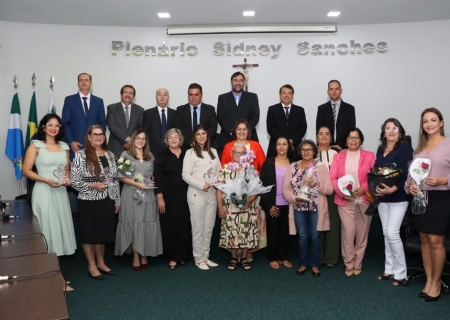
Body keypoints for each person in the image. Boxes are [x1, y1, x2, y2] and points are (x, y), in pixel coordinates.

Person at [22, 114, 76, 291]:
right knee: (47, 232)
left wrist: (67, 179)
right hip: (44, 192)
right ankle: (50, 277)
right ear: (43, 127)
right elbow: (26, 171)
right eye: (50, 125)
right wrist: (45, 180)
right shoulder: (35, 145)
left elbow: (67, 169)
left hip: (60, 193)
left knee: (58, 233)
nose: (54, 128)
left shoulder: (64, 146)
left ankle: (55, 275)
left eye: (57, 125)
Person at [406, 108, 450, 301]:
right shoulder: (419, 150)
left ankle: (437, 282)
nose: (429, 124)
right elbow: (410, 179)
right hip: (420, 199)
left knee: (435, 241)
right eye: (425, 121)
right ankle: (429, 280)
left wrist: (443, 180)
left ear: (441, 123)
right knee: (424, 239)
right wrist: (411, 188)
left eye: (433, 120)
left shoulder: (448, 144)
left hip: (441, 199)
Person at [71, 125, 120, 280]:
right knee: (89, 234)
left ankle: (101, 263)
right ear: (89, 137)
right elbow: (74, 181)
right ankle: (91, 265)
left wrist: (117, 200)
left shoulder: (110, 154)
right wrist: (92, 185)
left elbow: (114, 180)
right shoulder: (81, 155)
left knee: (102, 233)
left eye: (101, 135)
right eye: (95, 135)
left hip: (107, 199)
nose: (98, 137)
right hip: (88, 200)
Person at [282, 140, 333, 277]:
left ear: (314, 151)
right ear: (300, 151)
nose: (306, 152)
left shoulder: (321, 167)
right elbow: (285, 188)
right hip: (298, 207)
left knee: (315, 236)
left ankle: (315, 265)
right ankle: (303, 264)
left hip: (316, 206)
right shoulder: (293, 166)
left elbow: (329, 189)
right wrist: (294, 198)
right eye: (303, 149)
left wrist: (317, 184)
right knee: (303, 236)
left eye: (309, 149)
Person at [114, 129, 163, 270]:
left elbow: (153, 176)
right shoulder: (126, 155)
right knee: (134, 225)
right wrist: (137, 184)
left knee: (146, 224)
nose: (141, 141)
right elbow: (121, 177)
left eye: (143, 139)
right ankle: (136, 255)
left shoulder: (150, 156)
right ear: (133, 140)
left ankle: (144, 254)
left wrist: (147, 185)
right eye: (138, 138)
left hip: (148, 195)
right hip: (131, 194)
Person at [330, 127, 375, 277]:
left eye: (356, 137)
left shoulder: (370, 156)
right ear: (346, 141)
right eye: (350, 138)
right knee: (348, 233)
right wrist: (342, 193)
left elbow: (374, 177)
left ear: (360, 140)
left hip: (364, 200)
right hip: (345, 201)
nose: (353, 140)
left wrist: (363, 188)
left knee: (362, 233)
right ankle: (348, 262)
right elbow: (333, 178)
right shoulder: (339, 157)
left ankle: (358, 262)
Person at [374, 118, 413, 286]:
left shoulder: (404, 147)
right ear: (384, 132)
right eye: (388, 128)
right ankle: (389, 269)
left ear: (400, 131)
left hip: (399, 197)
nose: (391, 131)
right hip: (383, 198)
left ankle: (401, 273)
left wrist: (394, 188)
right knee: (385, 234)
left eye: (394, 128)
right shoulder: (380, 149)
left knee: (392, 234)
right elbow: (378, 172)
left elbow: (406, 171)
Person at [182, 124, 221, 270]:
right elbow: (185, 175)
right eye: (198, 134)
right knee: (198, 228)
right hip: (196, 195)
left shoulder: (213, 152)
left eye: (203, 133)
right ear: (194, 137)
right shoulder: (190, 153)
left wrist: (220, 180)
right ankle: (198, 259)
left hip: (211, 196)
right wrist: (200, 184)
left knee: (209, 228)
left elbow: (219, 171)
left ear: (207, 135)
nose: (201, 136)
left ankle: (205, 256)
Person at [154, 128, 192, 270]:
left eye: (176, 137)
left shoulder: (188, 154)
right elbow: (157, 178)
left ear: (180, 139)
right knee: (170, 227)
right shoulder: (162, 156)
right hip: (168, 197)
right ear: (167, 140)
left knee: (184, 226)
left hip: (186, 196)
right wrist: (160, 198)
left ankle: (183, 255)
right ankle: (173, 257)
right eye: (171, 137)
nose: (174, 139)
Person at [217, 144, 259, 271]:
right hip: (229, 207)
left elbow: (257, 188)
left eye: (241, 153)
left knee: (245, 230)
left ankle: (244, 257)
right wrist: (220, 207)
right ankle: (234, 257)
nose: (238, 155)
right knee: (232, 230)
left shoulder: (251, 169)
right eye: (236, 152)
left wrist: (250, 199)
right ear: (231, 153)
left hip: (247, 206)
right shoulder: (224, 169)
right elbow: (218, 190)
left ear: (246, 154)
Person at [260, 137, 294, 269]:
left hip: (289, 203)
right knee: (273, 232)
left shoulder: (293, 163)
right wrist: (268, 206)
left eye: (284, 144)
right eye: (278, 144)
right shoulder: (268, 163)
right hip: (273, 204)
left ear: (288, 146)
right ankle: (273, 257)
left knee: (285, 232)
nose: (281, 147)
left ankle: (284, 257)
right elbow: (262, 186)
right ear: (275, 147)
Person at [62, 73, 106, 160]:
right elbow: (65, 123)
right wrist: (71, 141)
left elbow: (102, 123)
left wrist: (98, 141)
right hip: (76, 146)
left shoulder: (99, 101)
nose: (84, 82)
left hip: (94, 146)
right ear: (78, 84)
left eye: (86, 80)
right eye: (81, 80)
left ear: (91, 83)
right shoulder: (69, 100)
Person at [217, 71, 260, 156]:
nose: (238, 83)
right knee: (227, 167)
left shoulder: (252, 97)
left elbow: (255, 116)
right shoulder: (222, 98)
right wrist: (233, 131)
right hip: (227, 138)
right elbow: (220, 117)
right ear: (231, 82)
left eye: (241, 80)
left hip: (249, 138)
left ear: (244, 82)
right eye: (235, 80)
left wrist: (244, 131)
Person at [317, 126, 341, 268]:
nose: (324, 136)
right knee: (317, 225)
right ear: (317, 137)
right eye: (321, 134)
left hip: (333, 193)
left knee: (333, 225)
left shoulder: (337, 154)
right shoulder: (311, 153)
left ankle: (331, 258)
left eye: (327, 134)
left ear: (331, 138)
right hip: (316, 194)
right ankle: (317, 257)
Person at [266, 84, 307, 157]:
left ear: (292, 95)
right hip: (276, 147)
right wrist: (284, 141)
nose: (286, 95)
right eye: (284, 93)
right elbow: (270, 128)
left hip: (295, 147)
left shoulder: (300, 110)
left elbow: (303, 128)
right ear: (280, 95)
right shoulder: (272, 109)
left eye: (289, 93)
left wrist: (292, 141)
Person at [174, 83, 218, 149]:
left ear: (201, 95)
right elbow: (179, 129)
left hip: (206, 146)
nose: (193, 97)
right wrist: (191, 142)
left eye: (196, 95)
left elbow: (213, 128)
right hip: (186, 147)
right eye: (191, 95)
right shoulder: (180, 110)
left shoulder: (210, 109)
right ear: (188, 95)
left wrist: (201, 142)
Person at [106, 85, 144, 159]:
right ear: (121, 94)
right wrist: (127, 139)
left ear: (134, 96)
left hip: (133, 148)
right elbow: (112, 125)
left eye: (131, 93)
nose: (128, 95)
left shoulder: (140, 110)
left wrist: (132, 142)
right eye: (126, 92)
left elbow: (140, 129)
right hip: (115, 148)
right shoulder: (112, 108)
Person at [316, 80, 356, 150]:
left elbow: (351, 130)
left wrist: (342, 145)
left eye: (336, 89)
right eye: (331, 89)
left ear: (341, 91)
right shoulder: (321, 109)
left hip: (344, 148)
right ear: (328, 92)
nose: (334, 91)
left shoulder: (350, 109)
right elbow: (319, 130)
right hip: (326, 148)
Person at [142, 88, 176, 159]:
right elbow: (146, 133)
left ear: (168, 98)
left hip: (171, 151)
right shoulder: (148, 113)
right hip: (153, 152)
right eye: (159, 95)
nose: (162, 97)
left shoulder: (175, 113)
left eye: (165, 95)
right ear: (156, 97)